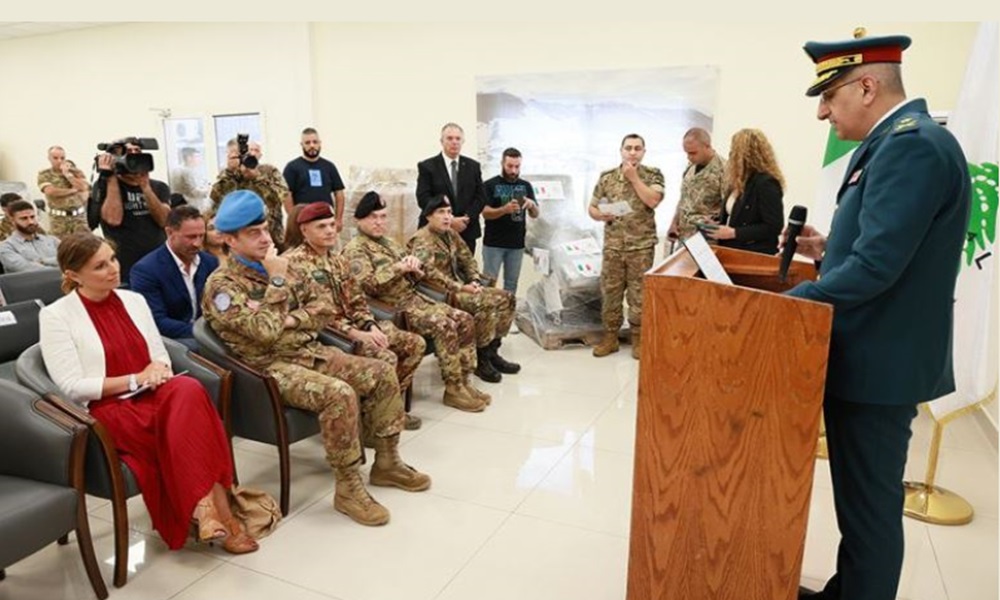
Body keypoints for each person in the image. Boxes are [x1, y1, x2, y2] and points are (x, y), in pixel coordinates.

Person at [788, 33, 970, 600]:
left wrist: (791, 303)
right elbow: (888, 247)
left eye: (829, 96)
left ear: (866, 87)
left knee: (869, 511)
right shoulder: (897, 142)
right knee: (862, 505)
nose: (823, 112)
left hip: (879, 363)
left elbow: (876, 266)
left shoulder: (911, 146)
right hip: (875, 353)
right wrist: (828, 248)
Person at [202, 190, 430, 527]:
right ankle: (348, 488)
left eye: (265, 229)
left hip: (309, 352)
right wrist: (277, 282)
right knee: (338, 393)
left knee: (383, 371)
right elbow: (264, 333)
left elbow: (323, 308)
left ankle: (387, 462)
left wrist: (289, 319)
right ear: (230, 240)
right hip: (269, 368)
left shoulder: (283, 266)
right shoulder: (222, 285)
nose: (265, 238)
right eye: (253, 233)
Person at [39, 232, 257, 554]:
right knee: (194, 423)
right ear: (73, 275)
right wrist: (134, 379)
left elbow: (160, 356)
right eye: (100, 266)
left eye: (112, 259)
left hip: (154, 391)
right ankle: (220, 516)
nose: (113, 269)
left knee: (188, 388)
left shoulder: (133, 301)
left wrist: (157, 370)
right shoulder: (56, 316)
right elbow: (72, 386)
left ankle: (205, 510)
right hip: (109, 407)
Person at [283, 200, 426, 431]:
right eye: (322, 226)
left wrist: (370, 326)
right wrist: (356, 333)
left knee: (414, 343)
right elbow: (316, 315)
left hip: (356, 325)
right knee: (386, 357)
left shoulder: (338, 260)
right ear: (304, 230)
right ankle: (373, 420)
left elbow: (357, 300)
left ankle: (387, 408)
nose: (330, 231)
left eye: (332, 225)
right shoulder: (292, 264)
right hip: (329, 334)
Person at [342, 192, 491, 412]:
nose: (379, 222)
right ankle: (453, 388)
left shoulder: (390, 242)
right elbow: (365, 287)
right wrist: (397, 268)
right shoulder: (356, 249)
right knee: (444, 324)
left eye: (383, 216)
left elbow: (414, 273)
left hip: (415, 299)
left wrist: (413, 266)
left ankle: (464, 380)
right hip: (392, 309)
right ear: (359, 219)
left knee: (464, 318)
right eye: (373, 217)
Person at [408, 195, 520, 383]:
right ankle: (481, 359)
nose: (447, 217)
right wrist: (460, 287)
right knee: (485, 303)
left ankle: (492, 351)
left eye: (449, 212)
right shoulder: (422, 239)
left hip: (462, 287)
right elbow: (429, 275)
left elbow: (467, 259)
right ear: (428, 216)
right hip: (440, 293)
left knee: (507, 298)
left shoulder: (451, 234)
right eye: (441, 212)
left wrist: (474, 279)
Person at [588, 133, 665, 360]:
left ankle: (638, 339)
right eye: (628, 148)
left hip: (640, 247)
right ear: (621, 150)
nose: (632, 152)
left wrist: (634, 178)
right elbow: (592, 208)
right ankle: (610, 338)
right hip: (613, 247)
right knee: (610, 293)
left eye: (637, 148)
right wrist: (601, 215)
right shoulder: (607, 177)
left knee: (639, 296)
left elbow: (653, 200)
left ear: (643, 152)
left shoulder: (653, 175)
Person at [129, 206, 220, 350]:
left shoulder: (209, 262)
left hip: (206, 335)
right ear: (170, 233)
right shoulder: (146, 270)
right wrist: (203, 333)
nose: (197, 243)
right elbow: (156, 321)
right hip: (172, 341)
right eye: (190, 237)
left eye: (201, 236)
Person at [91, 139, 172, 284]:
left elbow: (165, 221)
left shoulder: (159, 187)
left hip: (158, 263)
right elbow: (113, 219)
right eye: (128, 153)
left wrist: (145, 187)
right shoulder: (104, 185)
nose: (134, 156)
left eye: (137, 152)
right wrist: (111, 178)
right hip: (125, 266)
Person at [703, 128, 785, 255]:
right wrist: (715, 222)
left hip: (753, 254)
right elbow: (737, 215)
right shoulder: (737, 182)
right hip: (730, 249)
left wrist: (734, 233)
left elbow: (774, 226)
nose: (730, 155)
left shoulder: (766, 183)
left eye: (733, 151)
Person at [416, 123, 487, 253]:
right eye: (449, 138)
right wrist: (450, 219)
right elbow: (423, 198)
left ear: (463, 141)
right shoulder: (427, 166)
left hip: (466, 230)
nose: (454, 142)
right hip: (435, 233)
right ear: (441, 141)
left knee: (465, 266)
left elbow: (481, 197)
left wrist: (466, 218)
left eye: (458, 138)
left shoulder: (473, 166)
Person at [210, 138, 289, 252]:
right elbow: (216, 198)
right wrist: (230, 172)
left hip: (272, 236)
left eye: (255, 151)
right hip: (239, 237)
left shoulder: (269, 171)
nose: (252, 154)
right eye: (249, 151)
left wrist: (256, 177)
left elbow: (279, 197)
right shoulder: (229, 174)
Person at [481, 147, 539, 295]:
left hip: (516, 244)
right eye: (510, 166)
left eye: (517, 167)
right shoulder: (489, 185)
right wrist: (504, 210)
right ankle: (488, 310)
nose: (513, 170)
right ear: (502, 163)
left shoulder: (526, 186)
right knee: (488, 283)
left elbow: (535, 214)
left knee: (511, 284)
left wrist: (531, 205)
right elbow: (485, 213)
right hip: (493, 244)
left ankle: (509, 310)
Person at [667, 128, 726, 242]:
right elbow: (684, 198)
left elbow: (727, 208)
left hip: (705, 239)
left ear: (707, 146)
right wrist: (674, 223)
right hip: (684, 235)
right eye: (687, 153)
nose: (689, 157)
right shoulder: (691, 166)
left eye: (693, 153)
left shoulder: (723, 170)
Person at [282, 128, 346, 229]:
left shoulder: (329, 166)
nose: (312, 145)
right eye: (307, 143)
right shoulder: (292, 167)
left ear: (320, 143)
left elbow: (339, 194)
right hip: (303, 222)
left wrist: (338, 219)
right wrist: (293, 220)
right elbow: (286, 196)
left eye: (315, 142)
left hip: (326, 220)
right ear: (302, 145)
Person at [37, 145, 91, 239]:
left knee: (83, 243)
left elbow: (83, 187)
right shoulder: (45, 174)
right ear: (49, 158)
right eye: (55, 158)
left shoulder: (75, 172)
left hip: (78, 218)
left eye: (62, 158)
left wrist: (68, 175)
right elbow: (51, 191)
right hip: (59, 219)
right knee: (60, 244)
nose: (59, 161)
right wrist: (73, 190)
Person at [0, 200, 60, 272]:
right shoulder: (6, 247)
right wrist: (60, 269)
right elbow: (26, 269)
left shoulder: (52, 240)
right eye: (24, 218)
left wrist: (43, 261)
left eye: (32, 217)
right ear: (12, 221)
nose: (30, 222)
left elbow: (69, 260)